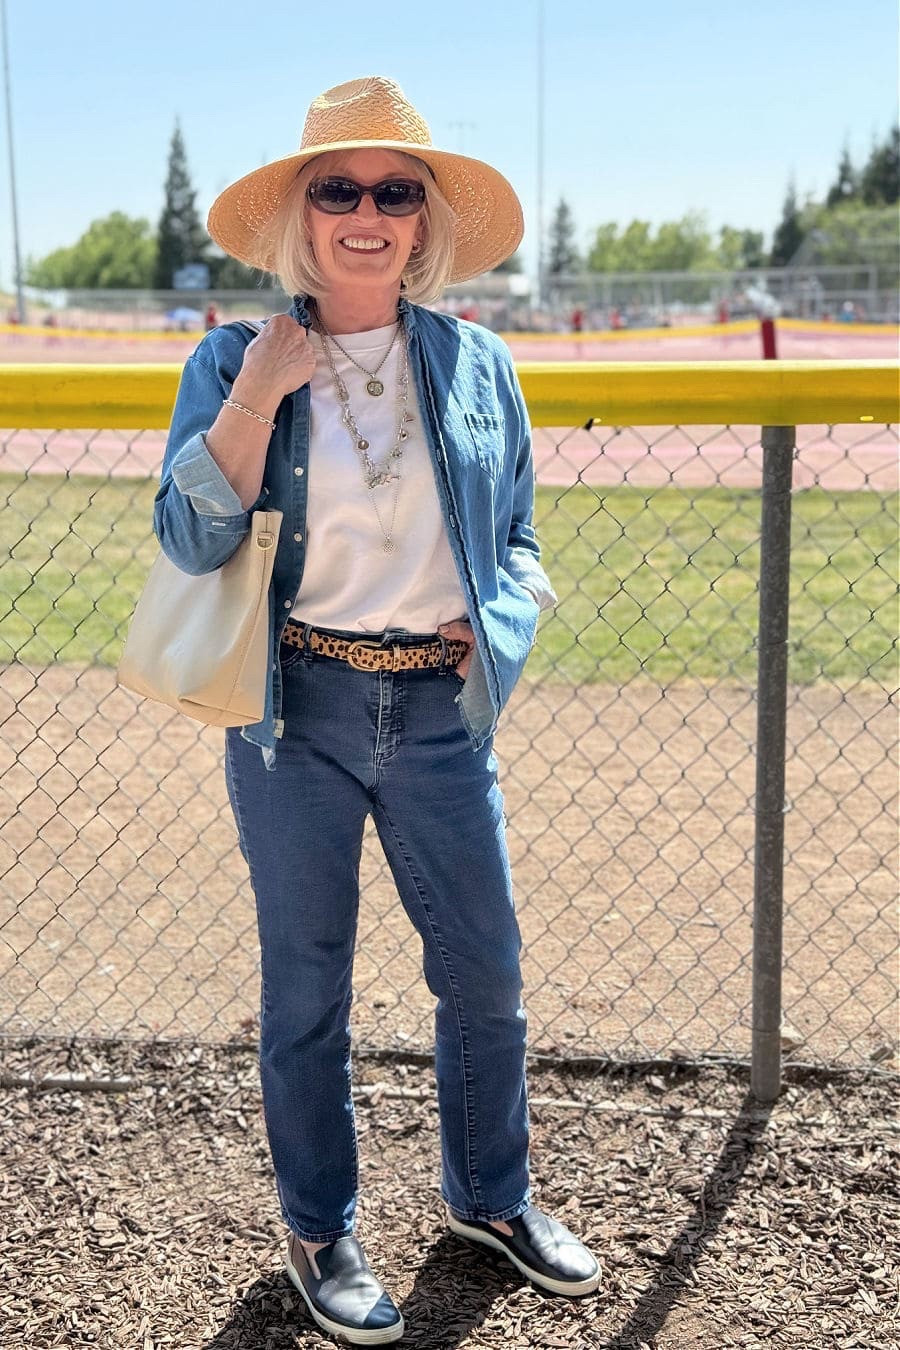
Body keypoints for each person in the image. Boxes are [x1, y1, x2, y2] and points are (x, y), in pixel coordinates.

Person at [154, 75, 600, 1345]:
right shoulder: (237, 357)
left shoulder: (474, 363)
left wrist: (496, 625)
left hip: (439, 713)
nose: (367, 211)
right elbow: (191, 541)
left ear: (421, 221)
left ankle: (490, 1200)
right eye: (338, 188)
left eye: (393, 191)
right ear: (304, 212)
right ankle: (319, 1226)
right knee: (308, 985)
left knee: (488, 976)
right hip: (295, 711)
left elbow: (514, 540)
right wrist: (261, 393)